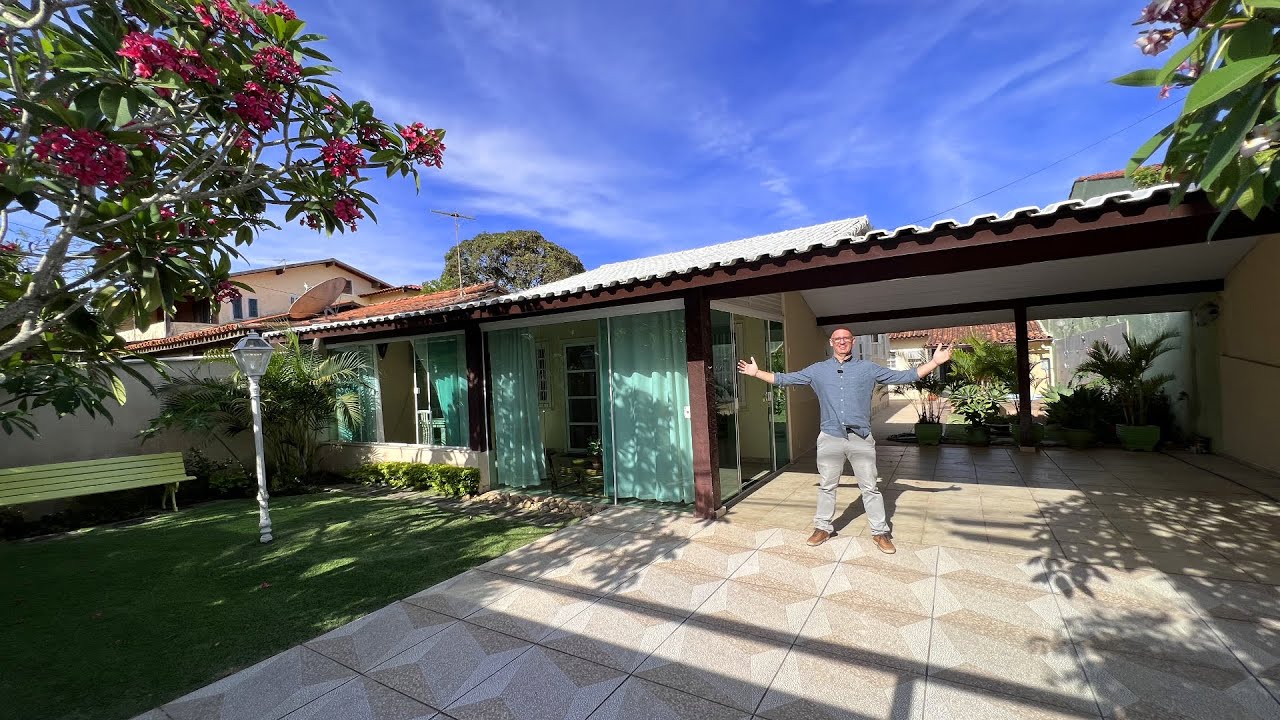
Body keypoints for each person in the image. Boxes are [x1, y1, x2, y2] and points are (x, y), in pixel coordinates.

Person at [737, 329, 951, 553]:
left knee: (870, 487)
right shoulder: (818, 370)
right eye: (837, 339)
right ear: (831, 343)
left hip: (861, 438)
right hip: (830, 437)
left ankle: (880, 532)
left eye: (845, 339)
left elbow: (904, 376)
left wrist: (935, 362)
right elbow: (784, 379)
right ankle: (822, 528)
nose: (841, 342)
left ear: (853, 342)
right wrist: (756, 373)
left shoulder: (867, 368)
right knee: (827, 485)